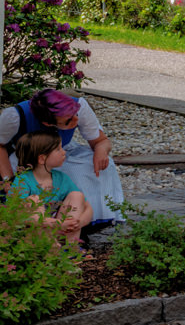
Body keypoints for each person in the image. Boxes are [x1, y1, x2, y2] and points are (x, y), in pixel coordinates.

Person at [0, 87, 125, 234]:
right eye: (68, 121)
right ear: (48, 123)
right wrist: (8, 180)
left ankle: (89, 220)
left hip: (63, 149)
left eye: (75, 115)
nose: (76, 120)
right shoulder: (15, 116)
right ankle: (50, 224)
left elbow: (101, 141)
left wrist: (101, 151)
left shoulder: (79, 106)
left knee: (100, 166)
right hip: (27, 156)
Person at [9, 131, 91, 249]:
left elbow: (87, 208)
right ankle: (51, 250)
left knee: (77, 196)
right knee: (33, 200)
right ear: (42, 159)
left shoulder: (62, 178)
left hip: (59, 230)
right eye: (58, 149)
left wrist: (78, 223)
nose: (64, 152)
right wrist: (58, 224)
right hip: (30, 235)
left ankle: (71, 248)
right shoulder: (22, 180)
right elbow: (18, 215)